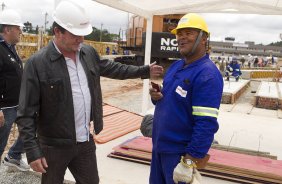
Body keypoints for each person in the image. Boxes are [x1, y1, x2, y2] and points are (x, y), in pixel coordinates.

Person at [16, 1, 163, 184]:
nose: (81, 39)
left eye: (83, 34)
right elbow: (25, 113)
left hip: (84, 143)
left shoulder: (87, 53)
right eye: (75, 35)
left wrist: (143, 71)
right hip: (53, 146)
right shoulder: (37, 64)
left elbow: (114, 69)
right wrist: (32, 151)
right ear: (57, 32)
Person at [149, 13, 223, 184]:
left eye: (188, 33)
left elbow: (206, 125)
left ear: (203, 38)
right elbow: (169, 101)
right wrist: (156, 96)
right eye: (179, 34)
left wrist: (188, 163)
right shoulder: (176, 66)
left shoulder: (207, 74)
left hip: (179, 156)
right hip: (160, 148)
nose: (182, 38)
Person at [0, 9, 30, 171]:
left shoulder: (10, 48)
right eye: (18, 28)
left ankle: (14, 156)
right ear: (7, 29)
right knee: (0, 142)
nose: (21, 31)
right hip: (5, 107)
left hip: (17, 103)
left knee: (31, 128)